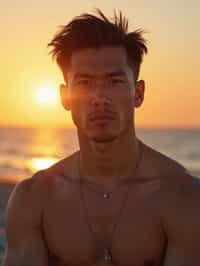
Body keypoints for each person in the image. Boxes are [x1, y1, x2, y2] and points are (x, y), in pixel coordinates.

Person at [3, 9, 200, 266]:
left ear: (138, 93)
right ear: (65, 97)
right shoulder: (34, 199)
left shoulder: (183, 198)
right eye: (84, 82)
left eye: (115, 82)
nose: (99, 97)